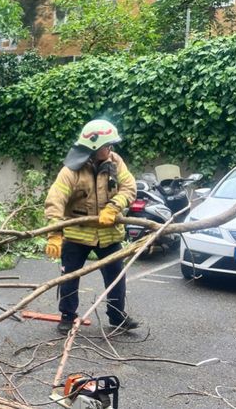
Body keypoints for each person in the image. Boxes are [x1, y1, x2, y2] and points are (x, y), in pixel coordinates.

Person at [44, 119, 141, 334]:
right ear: (94, 147)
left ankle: (117, 316)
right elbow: (55, 200)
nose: (110, 149)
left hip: (108, 233)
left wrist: (113, 207)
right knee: (69, 277)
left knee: (116, 277)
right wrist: (54, 234)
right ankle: (67, 317)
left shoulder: (115, 162)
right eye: (107, 145)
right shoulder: (71, 170)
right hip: (77, 234)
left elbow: (129, 187)